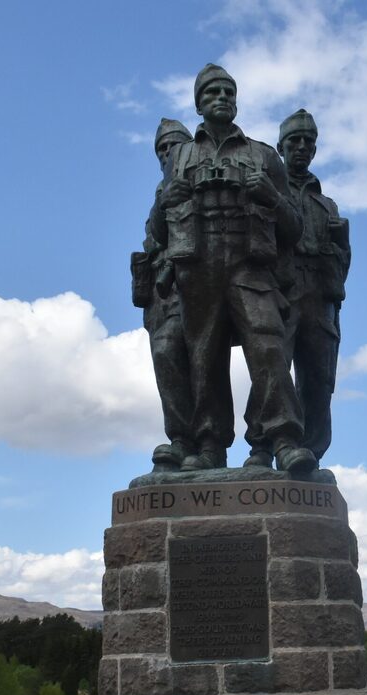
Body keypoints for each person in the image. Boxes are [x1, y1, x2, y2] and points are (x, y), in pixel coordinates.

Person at [153, 64, 315, 473]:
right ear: (198, 104)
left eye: (228, 91)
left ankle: (283, 439)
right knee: (203, 358)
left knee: (269, 347)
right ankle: (209, 445)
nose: (222, 98)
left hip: (249, 267)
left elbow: (293, 230)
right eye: (212, 93)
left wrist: (272, 199)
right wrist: (164, 200)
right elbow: (158, 232)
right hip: (199, 268)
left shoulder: (262, 155)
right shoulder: (180, 157)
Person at [271, 108, 350, 464]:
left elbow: (345, 258)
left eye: (308, 142)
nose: (302, 147)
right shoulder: (269, 192)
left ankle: (311, 455)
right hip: (282, 292)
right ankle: (268, 445)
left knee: (319, 381)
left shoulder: (326, 204)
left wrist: (336, 251)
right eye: (294, 141)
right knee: (272, 371)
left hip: (320, 296)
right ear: (281, 147)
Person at [133, 118, 195, 470]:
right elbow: (153, 238)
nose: (167, 153)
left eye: (173, 145)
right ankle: (181, 439)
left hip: (204, 281)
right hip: (165, 291)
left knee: (205, 364)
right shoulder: (162, 191)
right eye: (162, 148)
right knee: (167, 352)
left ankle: (210, 445)